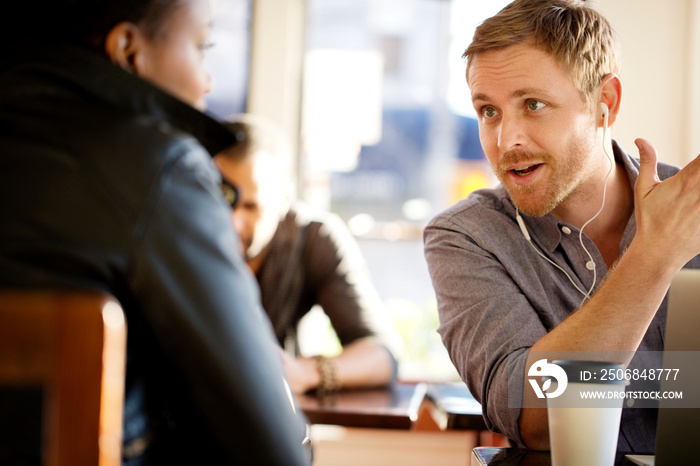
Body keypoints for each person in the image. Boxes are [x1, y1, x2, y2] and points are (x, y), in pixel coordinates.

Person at [0, 1, 310, 465]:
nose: (208, 82)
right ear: (127, 50)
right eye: (201, 47)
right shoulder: (156, 168)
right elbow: (275, 451)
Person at [423, 0, 700, 454]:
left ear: (604, 104)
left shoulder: (692, 205)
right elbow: (536, 418)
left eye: (533, 105)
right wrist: (655, 255)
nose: (505, 140)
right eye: (488, 111)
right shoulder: (464, 237)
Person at [214, 114, 400, 395]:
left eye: (251, 207)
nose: (233, 222)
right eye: (222, 200)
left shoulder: (314, 238)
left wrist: (304, 372)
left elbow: (382, 356)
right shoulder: (175, 232)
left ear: (283, 200)